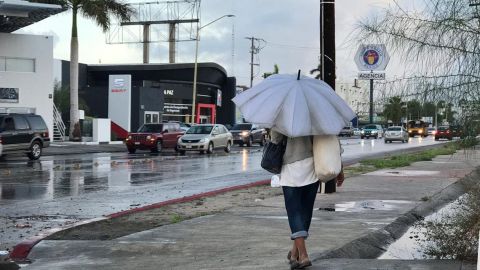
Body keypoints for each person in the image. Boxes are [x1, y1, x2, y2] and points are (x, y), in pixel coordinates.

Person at [270, 130, 344, 269]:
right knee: (305, 211)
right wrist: (340, 170)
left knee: (294, 212)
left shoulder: (285, 113)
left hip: (290, 166)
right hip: (313, 166)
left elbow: (275, 139)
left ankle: (303, 255)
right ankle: (294, 253)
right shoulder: (318, 112)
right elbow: (332, 142)